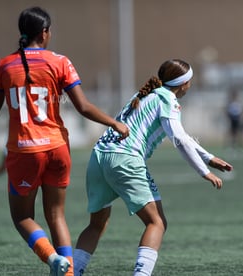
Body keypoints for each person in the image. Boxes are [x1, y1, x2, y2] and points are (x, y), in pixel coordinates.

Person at [0, 7, 129, 276]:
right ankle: (68, 272)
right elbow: (82, 106)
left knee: (23, 217)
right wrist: (114, 122)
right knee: (57, 215)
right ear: (45, 32)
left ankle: (52, 259)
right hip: (58, 149)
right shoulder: (60, 61)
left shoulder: (4, 65)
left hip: (24, 151)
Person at [73, 59, 233, 276]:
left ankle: (71, 272)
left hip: (99, 157)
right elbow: (179, 139)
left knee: (97, 224)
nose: (190, 85)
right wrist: (204, 172)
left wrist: (208, 157)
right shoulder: (168, 99)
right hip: (125, 159)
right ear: (183, 84)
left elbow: (182, 135)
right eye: (190, 81)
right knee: (156, 222)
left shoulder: (146, 94)